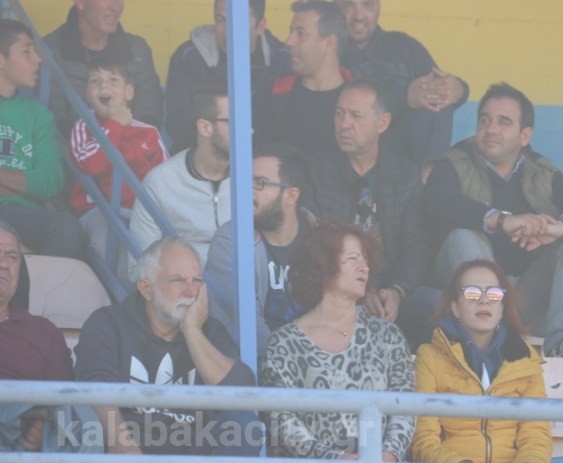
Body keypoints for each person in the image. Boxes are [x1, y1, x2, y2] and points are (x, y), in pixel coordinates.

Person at [73, 236, 259, 463]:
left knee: (244, 422)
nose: (191, 291)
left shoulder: (210, 332)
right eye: (178, 280)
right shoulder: (108, 322)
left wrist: (192, 331)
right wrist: (119, 440)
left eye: (197, 281)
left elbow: (241, 394)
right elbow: (96, 385)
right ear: (146, 288)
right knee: (93, 438)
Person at [425, 82, 563, 360]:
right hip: (463, 297)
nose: (491, 129)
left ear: (525, 135)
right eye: (485, 120)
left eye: (504, 122)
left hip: (524, 297)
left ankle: (562, 343)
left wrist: (558, 228)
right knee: (464, 237)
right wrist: (500, 221)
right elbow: (438, 200)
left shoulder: (540, 171)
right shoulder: (455, 162)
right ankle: (483, 339)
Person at [262, 220, 422, 463]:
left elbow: (405, 405)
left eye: (366, 259)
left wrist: (385, 458)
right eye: (352, 258)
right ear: (322, 266)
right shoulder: (285, 341)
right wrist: (335, 462)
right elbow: (281, 419)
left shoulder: (388, 335)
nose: (364, 267)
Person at [411, 259, 563, 463]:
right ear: (455, 307)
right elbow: (423, 440)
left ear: (502, 307)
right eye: (472, 293)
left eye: (493, 293)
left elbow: (536, 432)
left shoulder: (525, 358)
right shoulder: (430, 356)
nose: (484, 300)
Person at [0, 216, 107, 463]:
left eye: (12, 257)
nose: (2, 264)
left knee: (83, 420)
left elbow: (63, 401)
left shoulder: (43, 331)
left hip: (33, 441)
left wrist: (44, 429)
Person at [305, 80, 431, 342]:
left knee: (436, 304)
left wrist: (397, 291)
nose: (344, 124)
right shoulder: (315, 170)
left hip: (392, 289)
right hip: (333, 288)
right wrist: (359, 290)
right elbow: (316, 244)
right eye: (339, 114)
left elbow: (416, 244)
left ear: (382, 123)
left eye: (356, 116)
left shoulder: (405, 174)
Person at [0, 18, 86, 260]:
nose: (37, 59)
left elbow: (50, 182)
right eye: (26, 51)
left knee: (68, 228)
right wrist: (27, 189)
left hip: (26, 215)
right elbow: (38, 187)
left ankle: (27, 282)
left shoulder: (39, 115)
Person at [336, 0, 469, 175]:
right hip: (360, 153)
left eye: (367, 5)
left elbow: (440, 88)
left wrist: (459, 89)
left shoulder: (404, 46)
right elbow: (336, 106)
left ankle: (429, 179)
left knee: (437, 105)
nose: (358, 16)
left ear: (378, 7)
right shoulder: (329, 51)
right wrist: (406, 96)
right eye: (348, 6)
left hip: (412, 156)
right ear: (335, 7)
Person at [206, 143, 314, 353]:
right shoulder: (230, 242)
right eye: (246, 181)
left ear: (291, 196)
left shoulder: (320, 239)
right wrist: (293, 363)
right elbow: (248, 327)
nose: (247, 190)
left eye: (259, 183)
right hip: (262, 363)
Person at [69, 54, 168, 260]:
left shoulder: (148, 132)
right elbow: (91, 165)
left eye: (113, 80)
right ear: (87, 94)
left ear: (128, 92)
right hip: (98, 210)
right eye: (95, 81)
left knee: (159, 249)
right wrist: (115, 124)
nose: (104, 86)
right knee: (111, 242)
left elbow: (165, 180)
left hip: (140, 212)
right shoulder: (83, 126)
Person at [128, 83, 231, 280]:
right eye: (235, 120)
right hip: (187, 288)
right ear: (205, 127)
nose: (250, 130)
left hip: (246, 290)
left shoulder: (254, 178)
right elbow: (139, 269)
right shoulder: (161, 181)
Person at [166, 0, 291, 155]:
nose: (227, 31)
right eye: (220, 20)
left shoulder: (282, 60)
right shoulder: (189, 57)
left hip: (264, 159)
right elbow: (178, 124)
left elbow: (287, 129)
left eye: (238, 21)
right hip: (203, 156)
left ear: (260, 26)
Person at [44, 0, 164, 136]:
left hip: (131, 146)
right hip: (74, 147)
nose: (115, 7)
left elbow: (149, 111)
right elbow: (54, 120)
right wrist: (89, 145)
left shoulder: (137, 51)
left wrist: (132, 144)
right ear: (80, 2)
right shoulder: (49, 52)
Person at [255, 0, 351, 156]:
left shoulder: (361, 99)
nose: (289, 41)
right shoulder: (272, 91)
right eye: (291, 32)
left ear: (329, 43)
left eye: (300, 33)